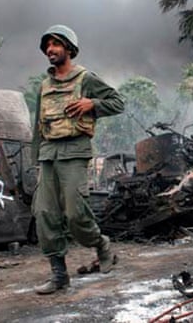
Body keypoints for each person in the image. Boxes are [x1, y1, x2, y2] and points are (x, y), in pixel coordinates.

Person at [32, 24, 125, 295]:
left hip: (74, 151)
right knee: (44, 213)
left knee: (74, 213)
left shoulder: (85, 78)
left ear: (68, 49)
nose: (51, 49)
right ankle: (59, 275)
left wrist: (92, 104)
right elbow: (37, 124)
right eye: (47, 45)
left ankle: (101, 244)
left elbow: (118, 102)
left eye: (56, 44)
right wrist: (34, 160)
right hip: (48, 154)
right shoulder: (44, 86)